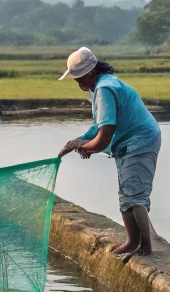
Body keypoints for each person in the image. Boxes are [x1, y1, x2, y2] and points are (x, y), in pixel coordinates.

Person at [56, 47, 162, 260]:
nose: (78, 83)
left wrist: (84, 146)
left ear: (90, 73)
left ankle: (145, 247)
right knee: (126, 192)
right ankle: (132, 241)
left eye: (79, 78)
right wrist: (80, 142)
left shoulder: (105, 89)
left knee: (135, 195)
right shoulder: (103, 86)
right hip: (129, 141)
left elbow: (104, 137)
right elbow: (98, 127)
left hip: (140, 140)